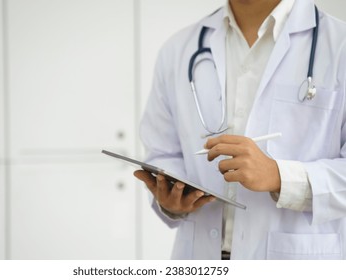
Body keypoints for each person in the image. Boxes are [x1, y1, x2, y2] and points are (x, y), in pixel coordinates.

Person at [134, 0, 346, 260]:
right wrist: (173, 197)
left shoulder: (339, 45)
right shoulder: (178, 49)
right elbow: (162, 151)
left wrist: (280, 177)